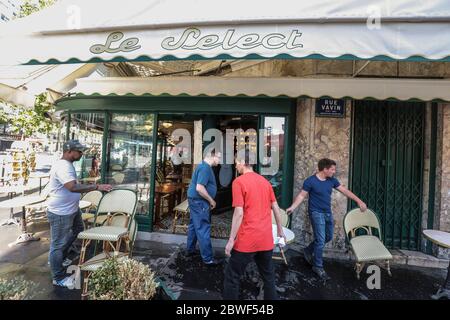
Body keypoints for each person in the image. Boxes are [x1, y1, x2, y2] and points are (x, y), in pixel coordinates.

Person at [286, 158, 367, 280]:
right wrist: (292, 207)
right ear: (325, 169)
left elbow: (345, 191)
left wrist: (359, 201)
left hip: (327, 213)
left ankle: (308, 250)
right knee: (320, 239)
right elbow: (302, 195)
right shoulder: (310, 181)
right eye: (332, 169)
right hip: (316, 213)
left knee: (328, 236)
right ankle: (318, 266)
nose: (334, 171)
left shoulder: (332, 180)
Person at [47, 140, 112, 289]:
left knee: (77, 231)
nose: (82, 154)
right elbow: (72, 187)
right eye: (79, 151)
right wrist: (96, 186)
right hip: (60, 212)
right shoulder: (63, 166)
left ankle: (60, 258)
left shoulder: (66, 165)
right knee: (57, 244)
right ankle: (58, 277)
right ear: (69, 151)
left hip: (71, 209)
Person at [223, 150, 285, 300]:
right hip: (265, 239)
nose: (235, 165)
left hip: (247, 240)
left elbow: (239, 212)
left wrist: (231, 240)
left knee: (232, 277)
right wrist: (280, 230)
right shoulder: (265, 182)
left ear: (244, 163)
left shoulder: (238, 182)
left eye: (237, 162)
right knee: (269, 277)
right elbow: (276, 208)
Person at [186, 150, 222, 266]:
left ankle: (190, 250)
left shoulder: (203, 166)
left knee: (193, 225)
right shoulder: (205, 168)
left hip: (195, 200)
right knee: (202, 227)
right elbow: (199, 188)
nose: (220, 161)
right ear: (213, 156)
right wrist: (211, 200)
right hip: (199, 201)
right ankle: (208, 259)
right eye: (219, 157)